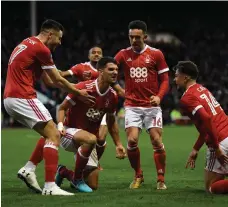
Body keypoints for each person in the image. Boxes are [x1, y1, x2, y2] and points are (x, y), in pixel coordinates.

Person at [3, 19, 95, 196]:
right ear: (50, 34)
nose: (60, 43)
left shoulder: (27, 43)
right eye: (59, 38)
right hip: (22, 96)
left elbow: (49, 80)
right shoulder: (41, 48)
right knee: (54, 134)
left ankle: (29, 169)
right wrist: (79, 92)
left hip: (10, 98)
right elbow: (59, 80)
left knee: (49, 132)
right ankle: (50, 186)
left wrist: (72, 82)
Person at [55, 57, 126, 192]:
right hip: (69, 132)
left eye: (117, 70)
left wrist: (118, 144)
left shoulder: (112, 96)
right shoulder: (83, 87)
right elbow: (62, 108)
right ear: (100, 71)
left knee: (93, 185)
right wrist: (59, 124)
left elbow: (111, 121)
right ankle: (77, 179)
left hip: (88, 141)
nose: (115, 72)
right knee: (92, 139)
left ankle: (63, 172)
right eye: (111, 69)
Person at [114, 20, 169, 190]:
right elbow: (108, 73)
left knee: (156, 140)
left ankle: (160, 178)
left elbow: (165, 80)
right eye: (131, 37)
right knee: (131, 140)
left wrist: (159, 97)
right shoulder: (123, 54)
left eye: (137, 37)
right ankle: (138, 175)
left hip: (151, 106)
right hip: (132, 105)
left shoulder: (156, 54)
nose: (134, 40)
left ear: (145, 36)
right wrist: (118, 89)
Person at [173, 60, 228, 194]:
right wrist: (196, 148)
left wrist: (216, 148)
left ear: (185, 77)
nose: (174, 79)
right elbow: (206, 125)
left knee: (211, 188)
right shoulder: (202, 89)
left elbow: (207, 119)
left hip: (220, 141)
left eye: (176, 75)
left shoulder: (187, 98)